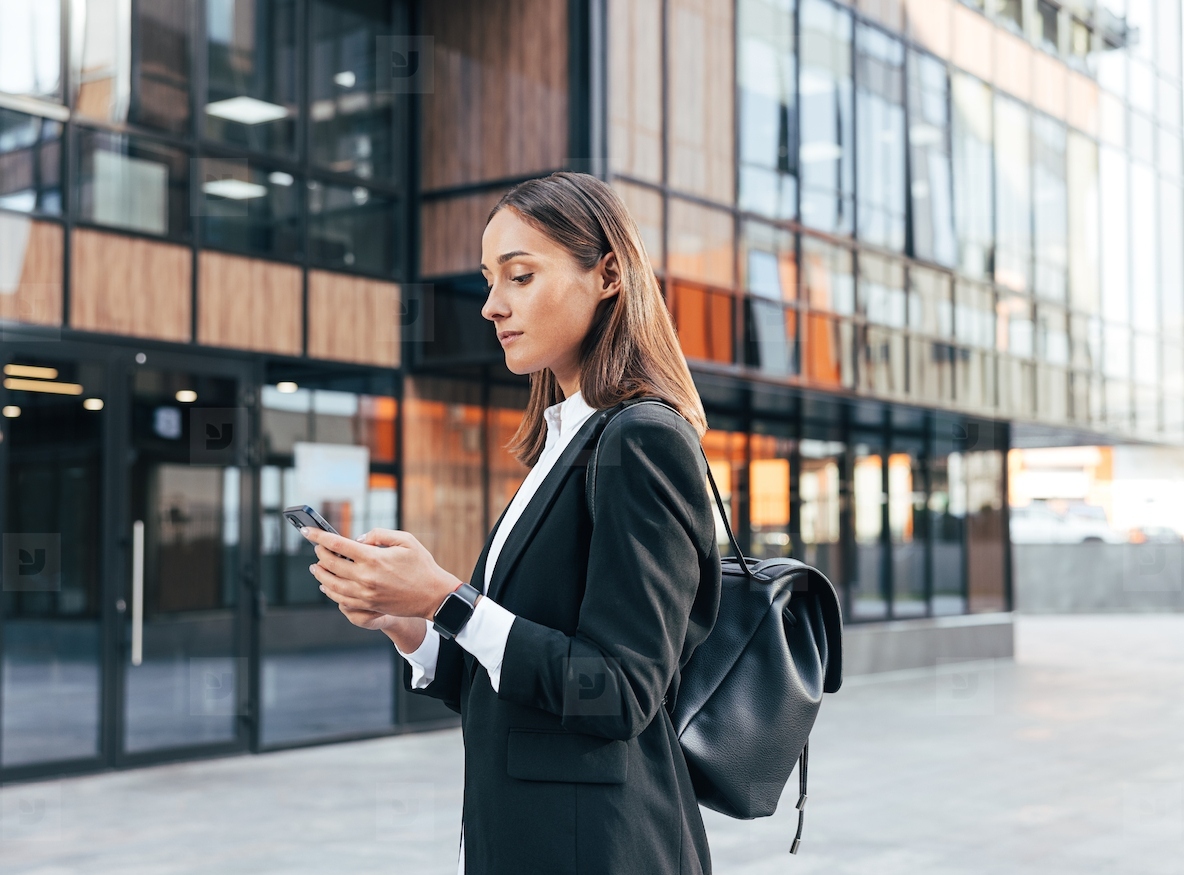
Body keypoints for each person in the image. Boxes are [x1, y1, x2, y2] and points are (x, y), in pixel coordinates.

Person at [303, 171, 722, 874]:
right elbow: (513, 682)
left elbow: (617, 691)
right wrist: (410, 624)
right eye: (489, 280)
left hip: (604, 849)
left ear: (609, 274)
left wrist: (446, 598)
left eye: (521, 276)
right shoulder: (563, 443)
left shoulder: (641, 439)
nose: (492, 306)